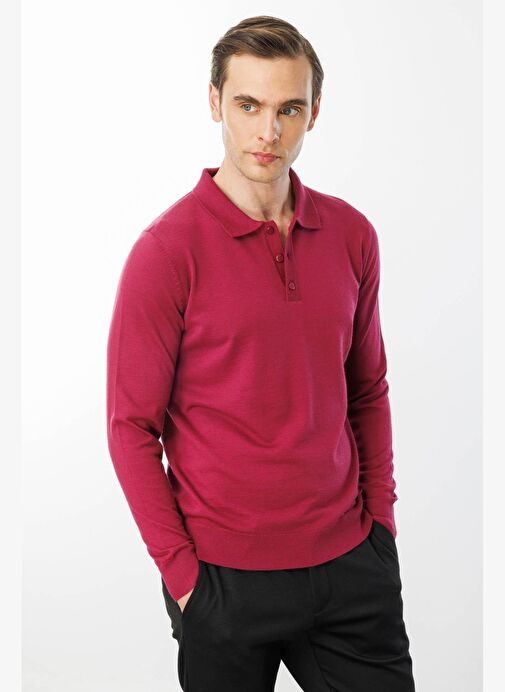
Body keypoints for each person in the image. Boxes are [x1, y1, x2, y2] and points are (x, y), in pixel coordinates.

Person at [106, 14, 416, 692]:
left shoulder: (352, 235)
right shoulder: (165, 254)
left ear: (314, 112)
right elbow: (131, 428)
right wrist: (184, 579)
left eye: (288, 109)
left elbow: (367, 389)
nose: (267, 132)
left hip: (350, 567)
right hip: (223, 581)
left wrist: (381, 528)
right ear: (214, 101)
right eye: (248, 105)